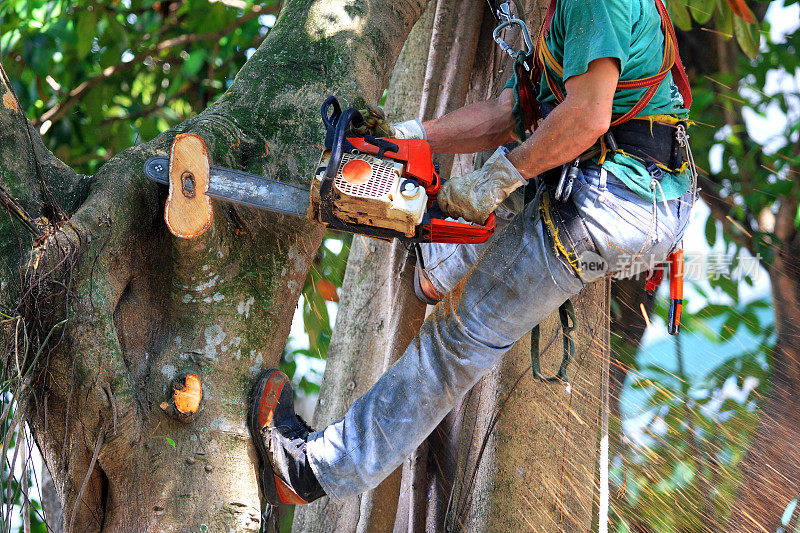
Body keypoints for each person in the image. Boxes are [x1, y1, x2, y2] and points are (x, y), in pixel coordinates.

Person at [247, 0, 696, 506]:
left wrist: (501, 176)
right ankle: (438, 268)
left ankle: (313, 472)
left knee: (457, 341)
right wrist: (409, 137)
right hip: (634, 199)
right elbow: (508, 116)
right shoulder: (561, 18)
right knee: (499, 187)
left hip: (615, 202)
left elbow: (587, 116)